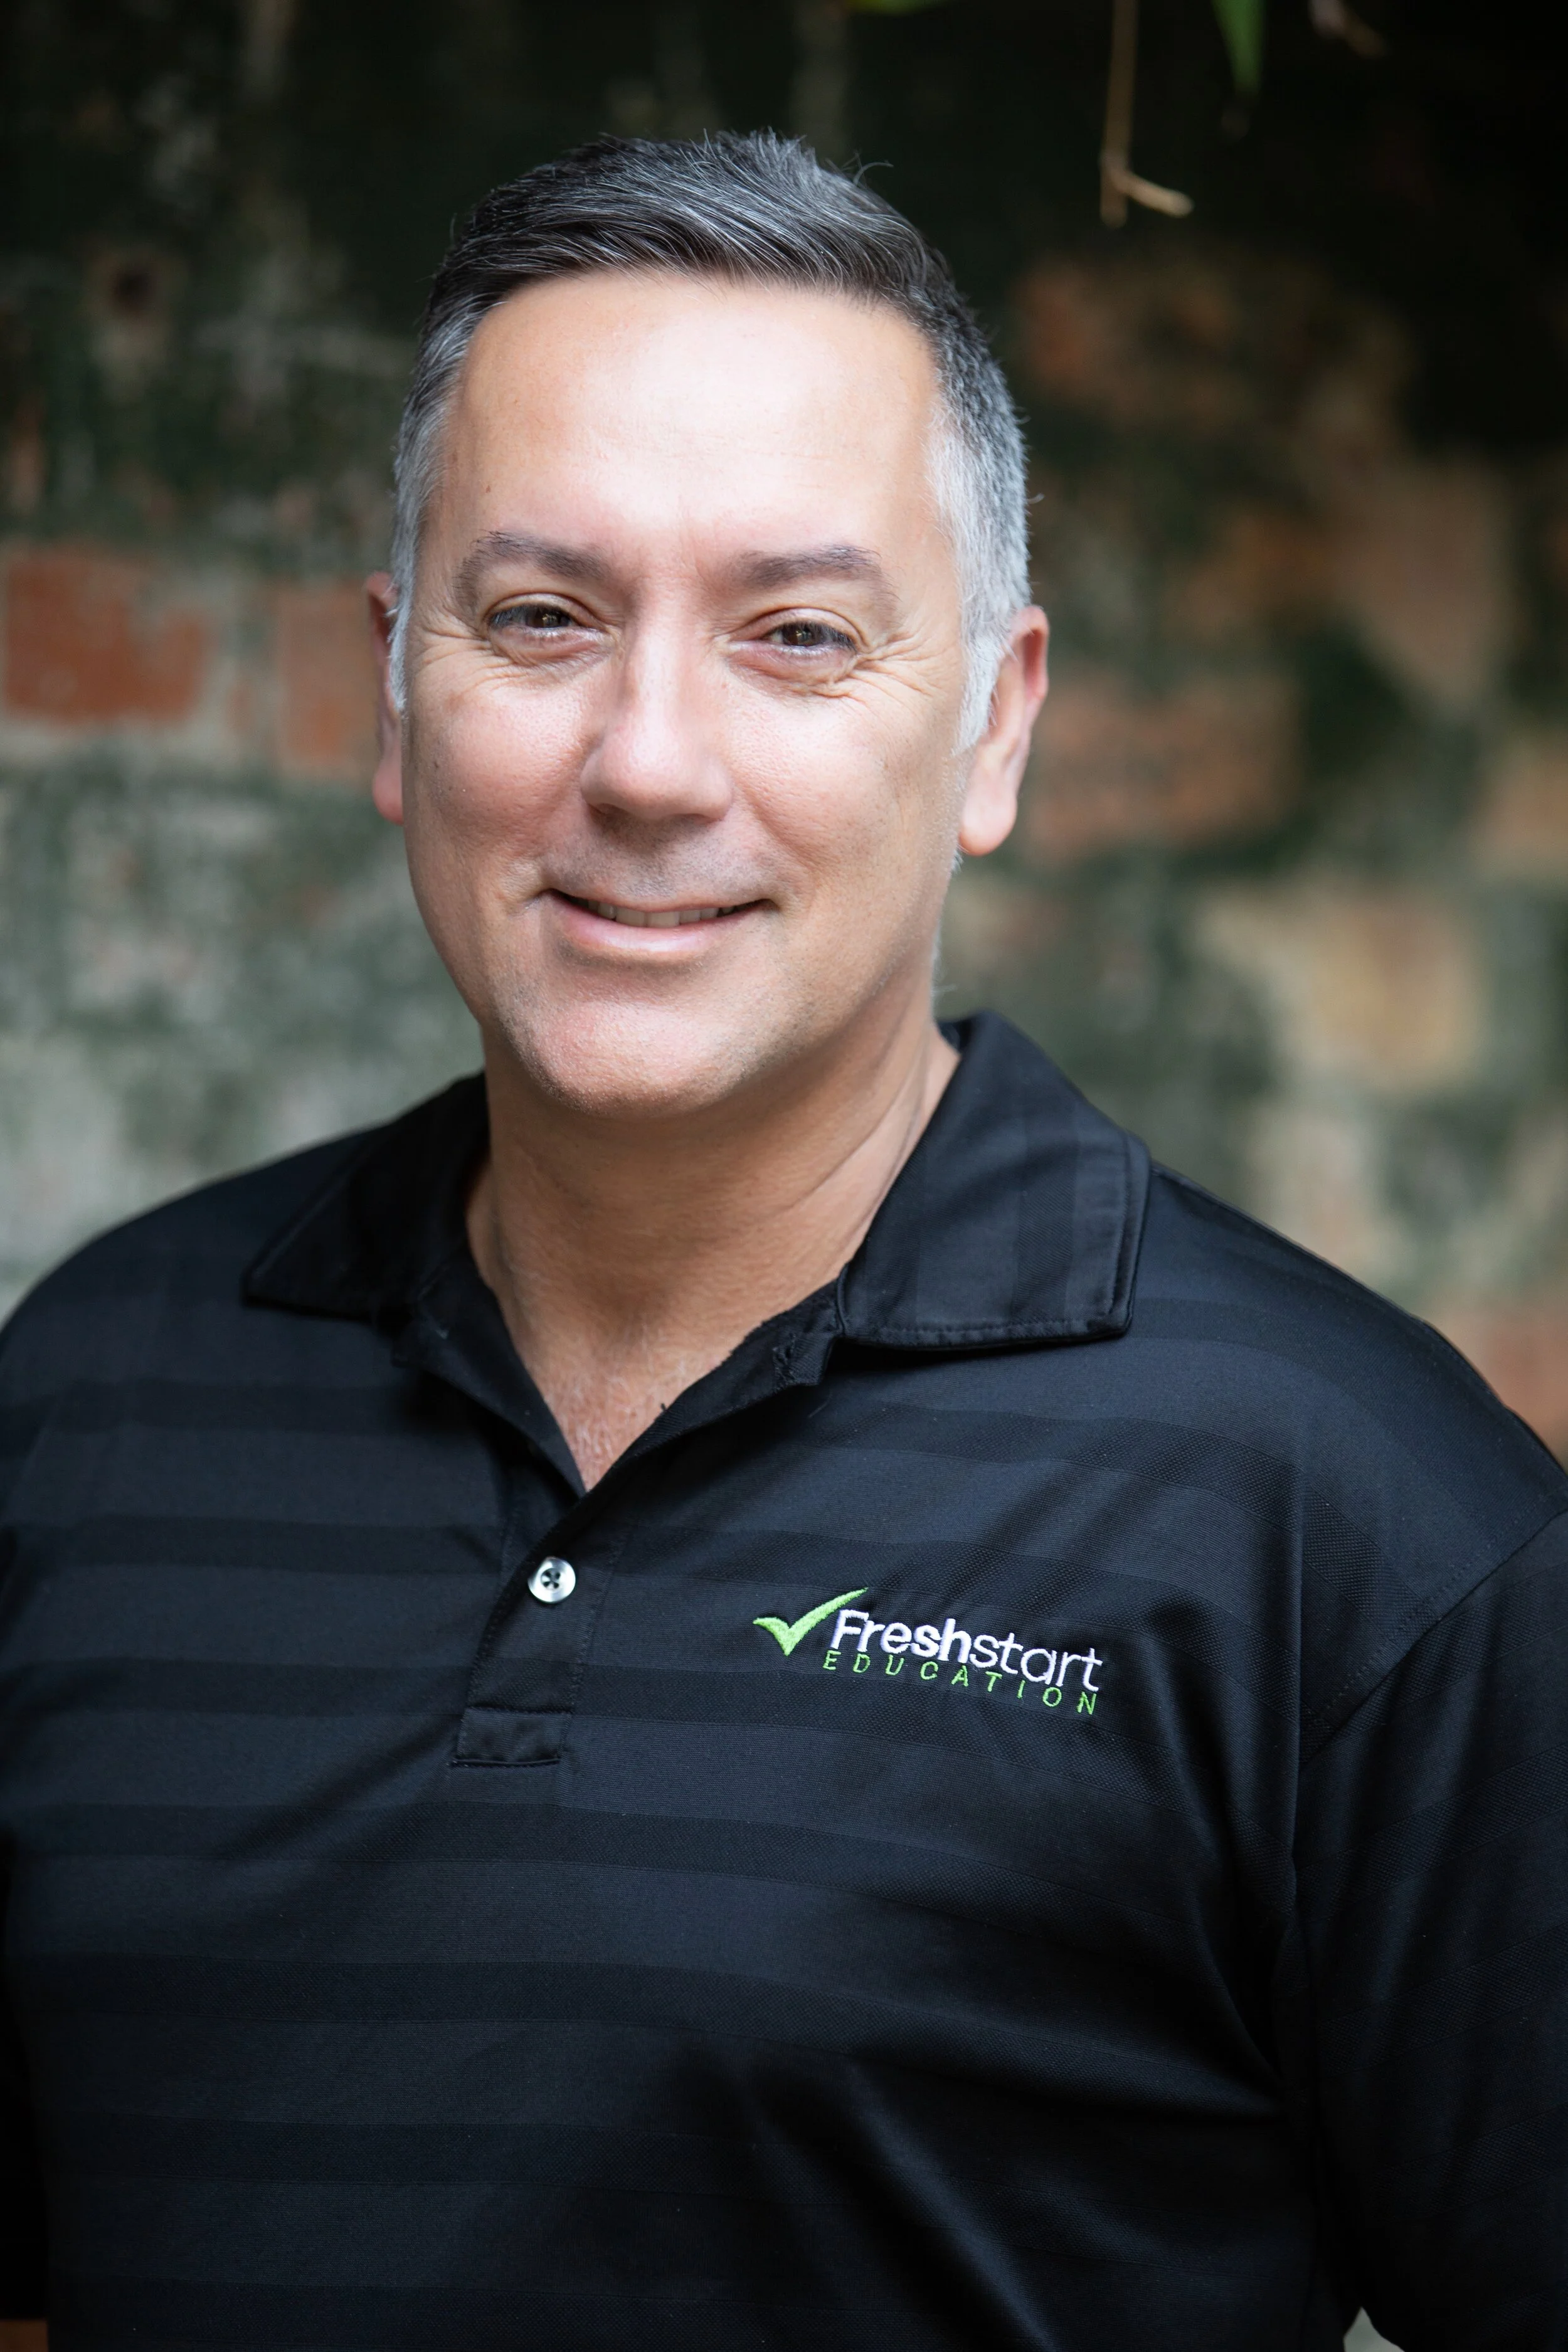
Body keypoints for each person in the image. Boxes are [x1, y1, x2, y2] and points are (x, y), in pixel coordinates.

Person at [0, 132, 1562, 2352]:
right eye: (539, 617)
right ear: (388, 686)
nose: (645, 760)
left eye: (795, 636)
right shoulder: (91, 1394)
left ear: (995, 721)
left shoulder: (1358, 1515)